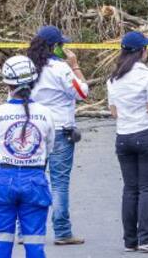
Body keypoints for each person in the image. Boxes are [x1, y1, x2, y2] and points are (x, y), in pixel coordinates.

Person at [0, 55, 55, 258]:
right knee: (34, 243)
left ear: (7, 83)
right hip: (35, 180)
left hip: (2, 179)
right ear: (34, 81)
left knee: (0, 244)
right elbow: (49, 147)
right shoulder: (45, 113)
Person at [27, 24, 89, 246]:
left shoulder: (27, 67)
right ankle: (62, 231)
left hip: (34, 129)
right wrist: (75, 66)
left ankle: (27, 230)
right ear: (55, 47)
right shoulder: (61, 69)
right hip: (61, 129)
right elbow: (83, 92)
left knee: (33, 179)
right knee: (59, 182)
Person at [107, 31, 148, 253]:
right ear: (141, 51)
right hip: (146, 134)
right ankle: (146, 238)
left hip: (123, 136)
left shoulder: (113, 78)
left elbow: (114, 112)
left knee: (130, 188)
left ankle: (130, 240)